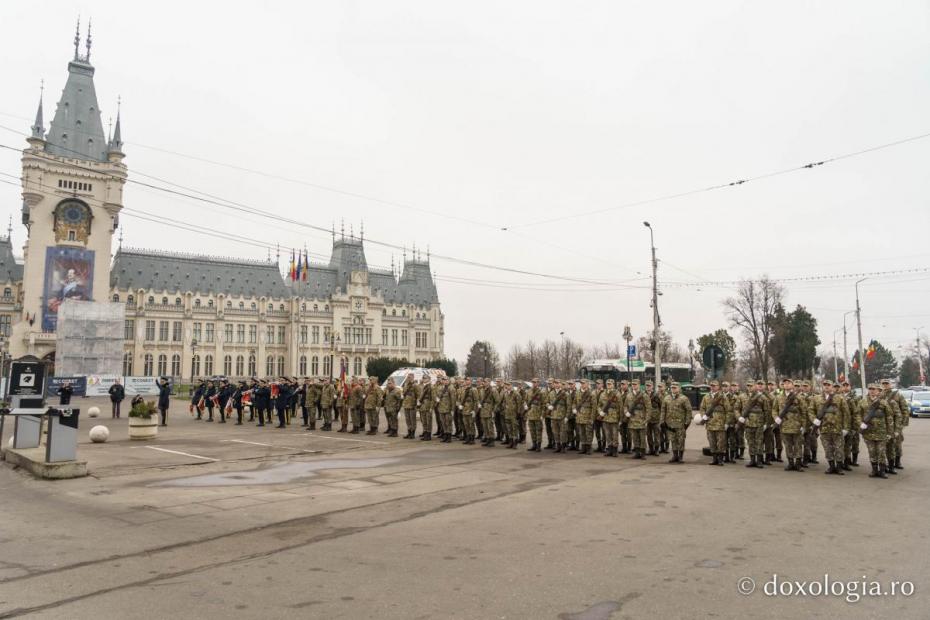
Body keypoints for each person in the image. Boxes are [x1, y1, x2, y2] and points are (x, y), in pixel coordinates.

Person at [857, 383, 892, 478]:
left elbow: (889, 417)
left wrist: (890, 432)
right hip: (868, 432)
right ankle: (874, 470)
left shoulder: (883, 402)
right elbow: (857, 414)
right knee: (872, 452)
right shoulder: (863, 402)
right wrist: (860, 424)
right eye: (870, 389)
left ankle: (882, 471)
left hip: (881, 432)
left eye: (874, 389)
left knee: (881, 452)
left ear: (878, 391)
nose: (872, 391)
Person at [774, 379, 806, 472]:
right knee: (787, 445)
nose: (787, 385)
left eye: (789, 383)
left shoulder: (799, 397)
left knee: (798, 445)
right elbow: (774, 409)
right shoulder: (778, 397)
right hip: (784, 425)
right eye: (785, 383)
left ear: (792, 385)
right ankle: (790, 463)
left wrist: (803, 425)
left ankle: (798, 464)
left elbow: (804, 411)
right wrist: (776, 418)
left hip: (796, 425)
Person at [698, 380, 728, 465]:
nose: (713, 387)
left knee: (721, 442)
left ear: (718, 387)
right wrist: (704, 416)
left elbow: (728, 410)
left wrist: (726, 422)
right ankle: (714, 459)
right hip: (710, 423)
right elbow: (702, 408)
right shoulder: (706, 397)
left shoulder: (722, 397)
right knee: (712, 442)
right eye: (711, 386)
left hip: (720, 423)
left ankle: (720, 459)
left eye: (714, 386)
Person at [660, 382, 691, 463]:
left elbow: (688, 411)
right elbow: (663, 410)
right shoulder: (666, 398)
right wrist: (662, 421)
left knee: (681, 441)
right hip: (670, 424)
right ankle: (675, 456)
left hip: (681, 424)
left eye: (675, 388)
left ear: (679, 388)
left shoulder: (684, 398)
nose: (673, 389)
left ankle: (680, 457)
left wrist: (687, 422)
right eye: (672, 388)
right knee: (673, 440)